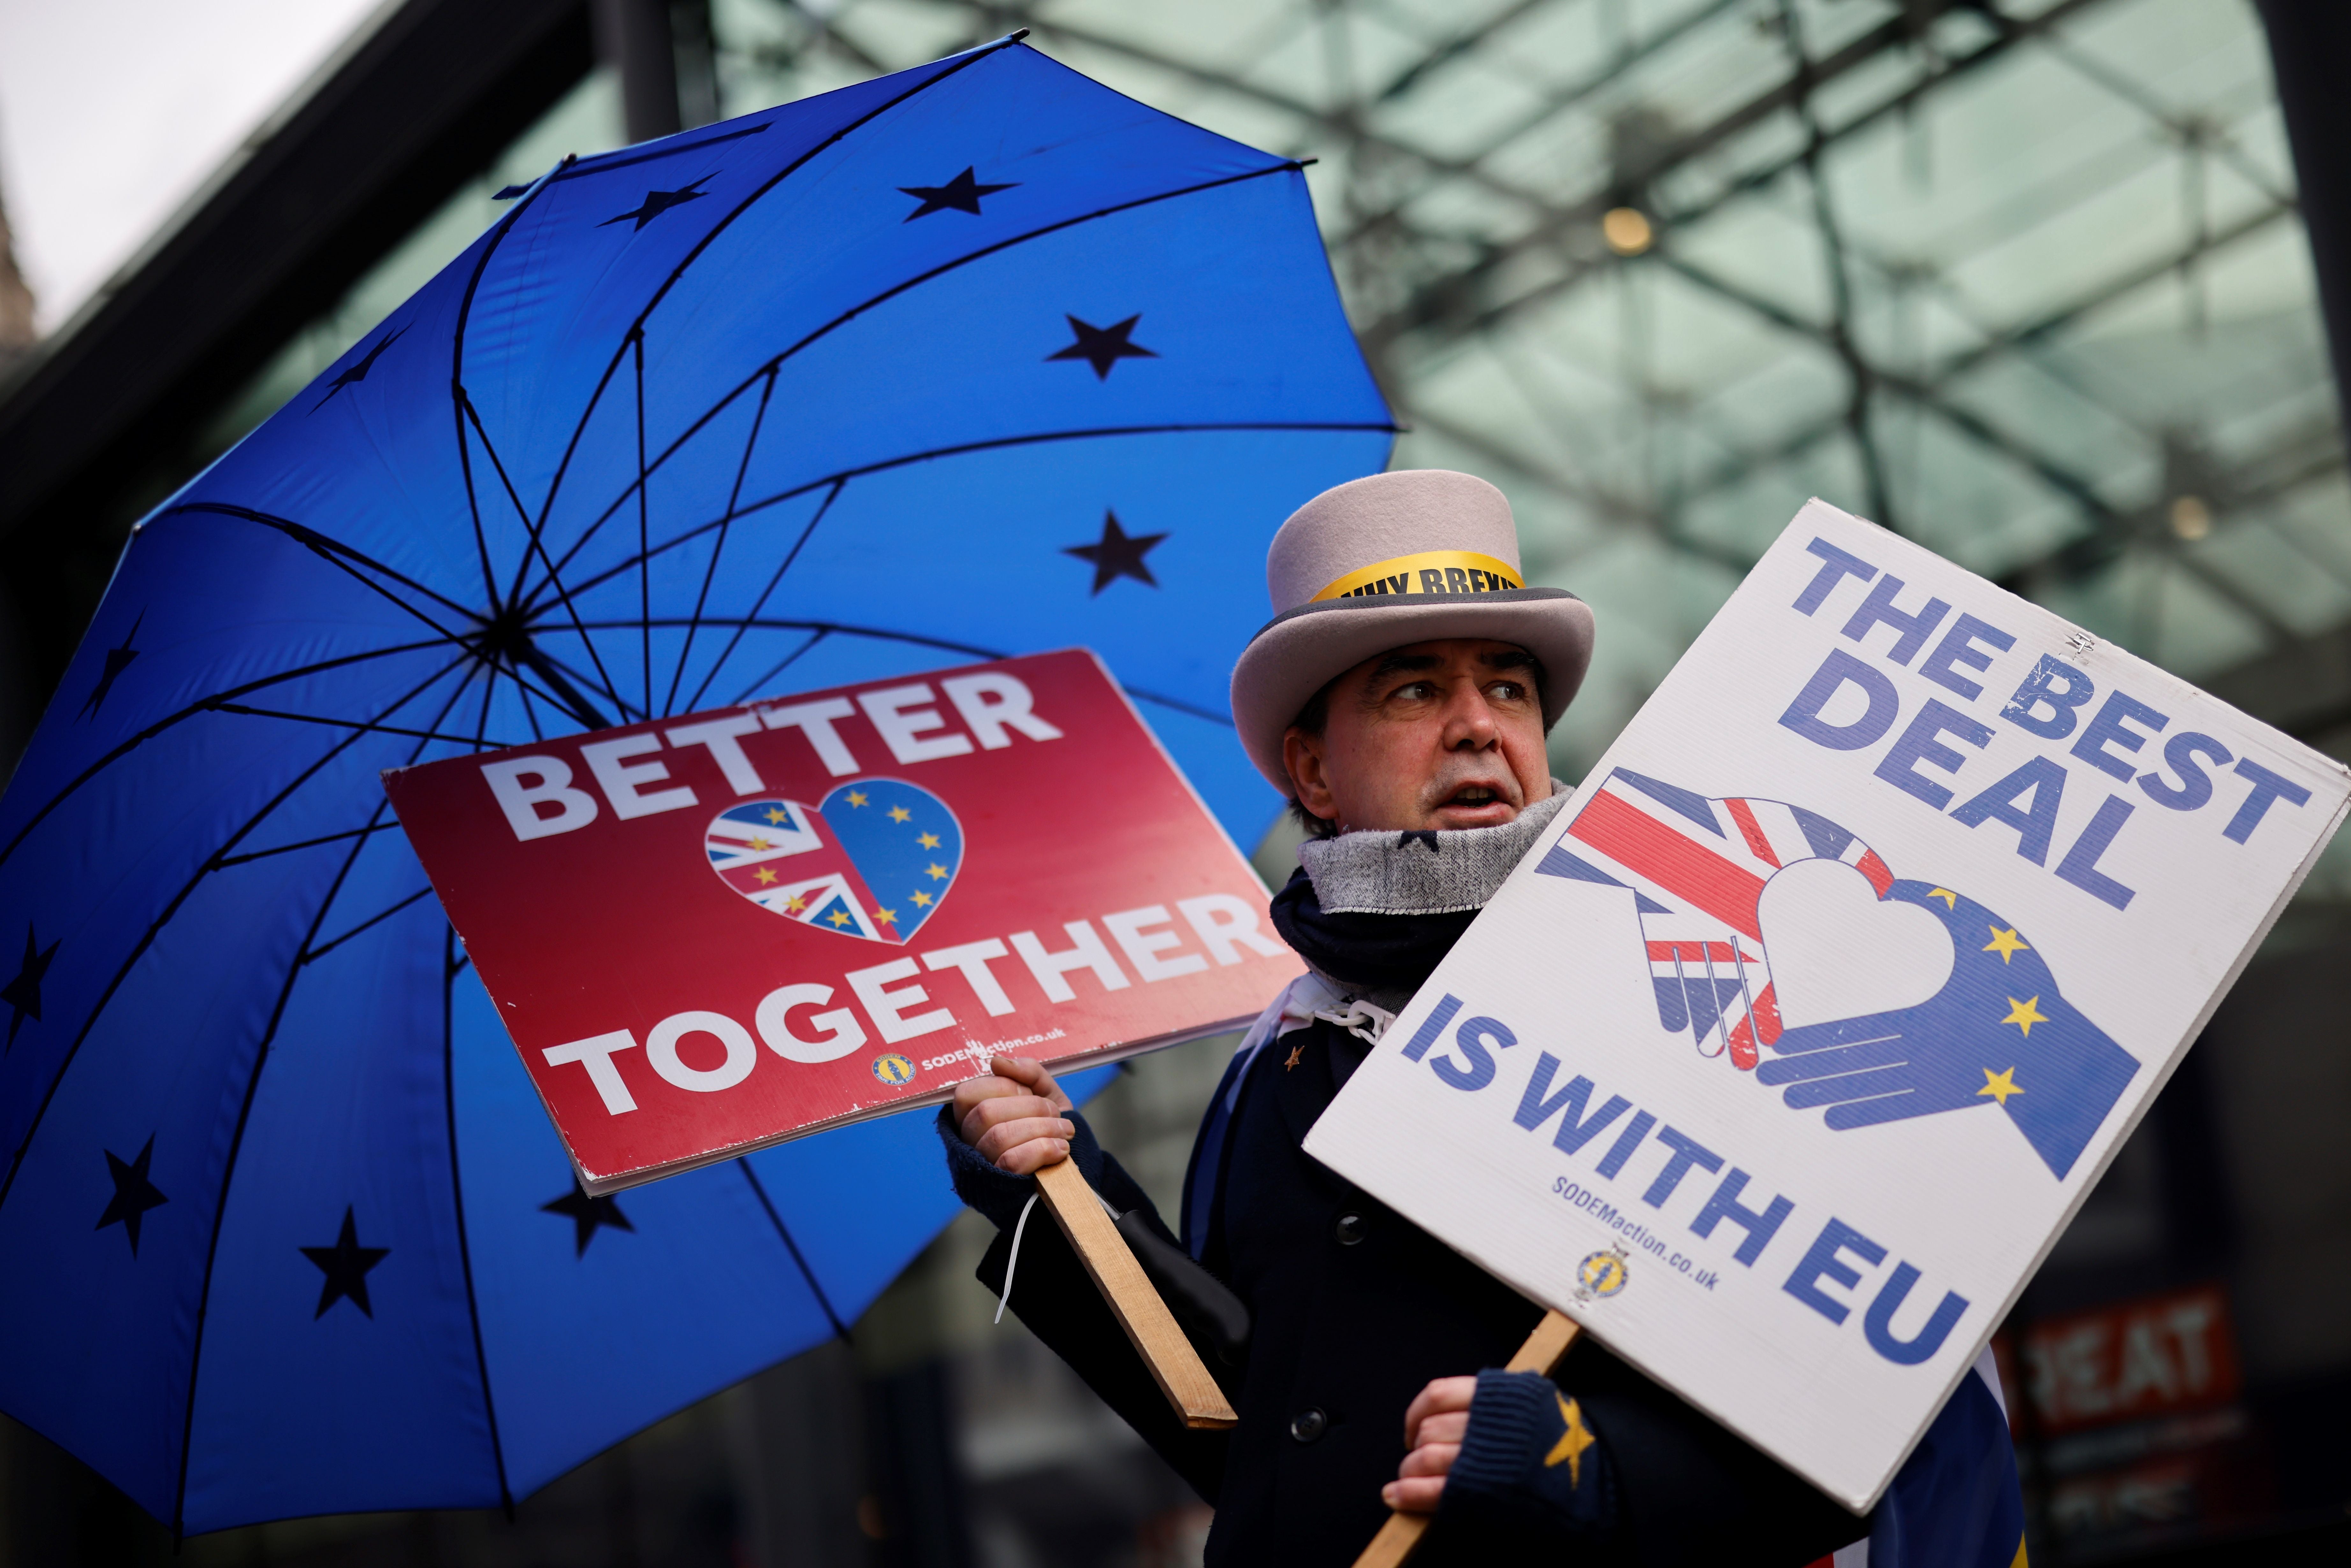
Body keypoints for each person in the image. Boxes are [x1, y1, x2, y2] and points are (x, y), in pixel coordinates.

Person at [938, 471, 2010, 1565]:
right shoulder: (1275, 1062)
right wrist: (1061, 1203)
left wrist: (1579, 1464)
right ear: (1313, 767)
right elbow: (1262, 1437)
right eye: (1413, 692)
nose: (1477, 728)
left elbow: (1872, 1412)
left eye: (1508, 689)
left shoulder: (1703, 995)